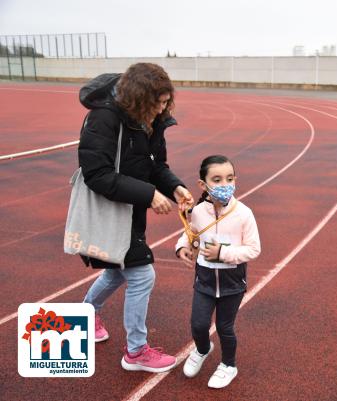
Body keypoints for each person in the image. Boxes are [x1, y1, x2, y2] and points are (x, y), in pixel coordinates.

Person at [79, 63, 194, 371]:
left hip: (129, 209)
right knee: (142, 275)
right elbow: (97, 174)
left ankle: (86, 316)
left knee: (117, 271)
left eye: (165, 102)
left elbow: (155, 165)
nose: (161, 109)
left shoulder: (151, 120)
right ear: (137, 99)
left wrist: (175, 188)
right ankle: (136, 352)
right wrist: (148, 195)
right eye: (156, 103)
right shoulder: (103, 118)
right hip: (107, 210)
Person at [175, 155, 261, 389]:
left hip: (232, 284)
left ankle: (228, 365)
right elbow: (191, 232)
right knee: (199, 324)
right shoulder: (199, 211)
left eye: (229, 179)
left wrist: (222, 254)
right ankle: (203, 349)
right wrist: (181, 246)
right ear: (203, 185)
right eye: (217, 179)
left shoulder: (244, 214)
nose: (225, 185)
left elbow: (254, 249)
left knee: (224, 327)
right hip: (204, 280)